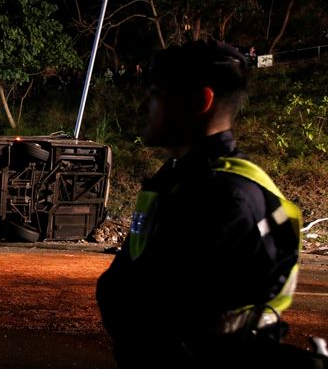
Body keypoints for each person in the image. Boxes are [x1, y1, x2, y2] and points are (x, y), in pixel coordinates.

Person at [96, 39, 303, 368]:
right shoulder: (180, 179)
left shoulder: (225, 197)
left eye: (154, 95)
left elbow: (156, 313)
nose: (141, 107)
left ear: (199, 100)